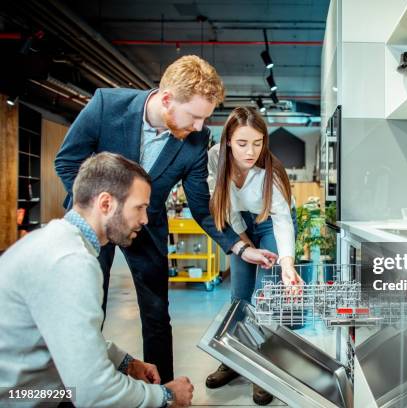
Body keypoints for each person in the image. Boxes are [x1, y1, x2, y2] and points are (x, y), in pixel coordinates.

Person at [54, 55, 276, 383]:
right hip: (95, 223)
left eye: (205, 118)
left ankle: (165, 393)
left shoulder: (195, 140)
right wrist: (99, 211)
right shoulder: (106, 106)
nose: (200, 128)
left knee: (157, 313)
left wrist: (241, 248)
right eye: (195, 117)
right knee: (87, 305)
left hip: (148, 225)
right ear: (168, 99)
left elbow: (202, 207)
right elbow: (67, 161)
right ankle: (78, 385)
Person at [0, 152, 193, 407]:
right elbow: (94, 392)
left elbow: (73, 332)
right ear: (106, 204)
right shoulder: (72, 262)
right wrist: (166, 396)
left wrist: (125, 362)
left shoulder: (56, 239)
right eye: (140, 207)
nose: (145, 220)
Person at [205, 107, 303, 405]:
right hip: (240, 223)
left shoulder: (269, 171)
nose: (251, 151)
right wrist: (244, 245)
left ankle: (264, 368)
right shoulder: (214, 158)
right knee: (240, 296)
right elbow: (223, 207)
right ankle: (234, 363)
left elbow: (283, 219)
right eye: (243, 143)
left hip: (271, 222)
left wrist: (287, 264)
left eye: (258, 143)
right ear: (228, 142)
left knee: (266, 296)